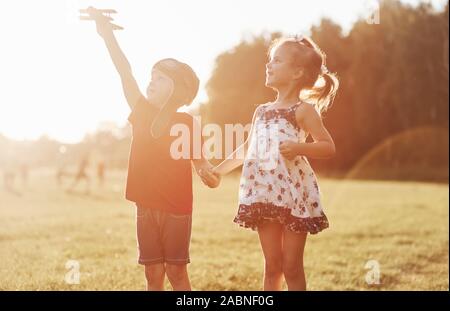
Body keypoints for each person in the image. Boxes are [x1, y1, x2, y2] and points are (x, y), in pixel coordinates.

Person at [88, 7, 219, 291]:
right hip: (145, 205)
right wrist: (107, 34)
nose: (151, 81)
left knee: (177, 273)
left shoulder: (188, 123)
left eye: (161, 79)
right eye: (152, 75)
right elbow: (125, 71)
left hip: (177, 207)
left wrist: (210, 175)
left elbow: (202, 165)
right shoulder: (141, 111)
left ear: (181, 92)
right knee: (153, 274)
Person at [213, 36, 339, 291]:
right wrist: (218, 170)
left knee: (291, 267)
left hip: (293, 195)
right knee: (272, 266)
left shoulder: (303, 111)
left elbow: (328, 146)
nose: (269, 65)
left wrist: (299, 147)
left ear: (297, 72)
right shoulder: (261, 111)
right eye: (270, 60)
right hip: (264, 194)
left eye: (277, 60)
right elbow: (247, 149)